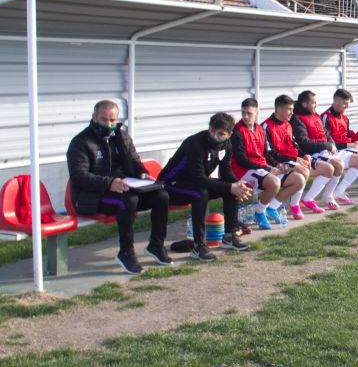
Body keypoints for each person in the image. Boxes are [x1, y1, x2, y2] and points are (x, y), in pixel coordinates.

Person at [66, 100, 171, 274]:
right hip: (90, 196)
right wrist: (109, 183)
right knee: (128, 200)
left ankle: (156, 245)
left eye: (112, 120)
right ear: (94, 117)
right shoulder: (80, 142)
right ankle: (126, 253)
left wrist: (142, 174)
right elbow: (79, 176)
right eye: (104, 119)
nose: (108, 124)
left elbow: (135, 161)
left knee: (162, 196)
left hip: (123, 188)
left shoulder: (122, 137)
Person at [158, 112, 253, 262]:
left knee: (230, 190)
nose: (214, 135)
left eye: (220, 134)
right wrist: (231, 186)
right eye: (212, 130)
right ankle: (198, 246)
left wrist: (238, 185)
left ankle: (230, 236)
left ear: (229, 135)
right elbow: (199, 177)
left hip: (195, 182)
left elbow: (226, 171)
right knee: (201, 193)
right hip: (170, 184)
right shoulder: (195, 143)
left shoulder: (227, 145)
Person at [231, 98, 307, 230]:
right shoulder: (237, 131)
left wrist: (277, 165)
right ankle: (259, 212)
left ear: (257, 112)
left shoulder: (260, 129)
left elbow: (266, 154)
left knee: (299, 179)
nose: (245, 116)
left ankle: (271, 207)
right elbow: (242, 160)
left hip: (261, 168)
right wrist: (267, 168)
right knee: (274, 182)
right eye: (243, 113)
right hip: (244, 171)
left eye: (249, 113)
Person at [262, 94, 336, 218]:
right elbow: (269, 153)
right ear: (279, 109)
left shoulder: (288, 124)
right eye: (289, 109)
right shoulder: (266, 126)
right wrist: (294, 160)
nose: (292, 112)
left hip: (293, 160)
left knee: (328, 169)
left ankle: (308, 200)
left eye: (292, 109)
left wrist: (304, 155)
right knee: (303, 173)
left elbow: (294, 146)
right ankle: (290, 205)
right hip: (279, 163)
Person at [291, 90, 345, 211]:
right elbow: (304, 143)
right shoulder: (297, 119)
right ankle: (314, 198)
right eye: (313, 103)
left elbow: (326, 133)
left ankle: (325, 196)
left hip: (324, 150)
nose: (316, 105)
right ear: (304, 104)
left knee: (340, 165)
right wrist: (327, 146)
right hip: (313, 153)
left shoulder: (315, 115)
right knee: (336, 165)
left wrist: (332, 144)